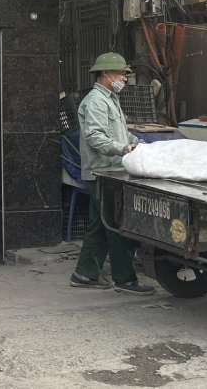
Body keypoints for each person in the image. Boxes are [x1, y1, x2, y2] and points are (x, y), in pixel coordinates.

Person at [70, 52, 155, 295]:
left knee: (99, 225)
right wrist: (122, 149)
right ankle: (125, 279)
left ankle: (84, 274)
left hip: (108, 171)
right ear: (106, 73)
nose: (125, 78)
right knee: (117, 227)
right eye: (121, 74)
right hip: (104, 173)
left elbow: (122, 134)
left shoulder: (110, 99)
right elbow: (95, 136)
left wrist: (139, 145)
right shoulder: (96, 101)